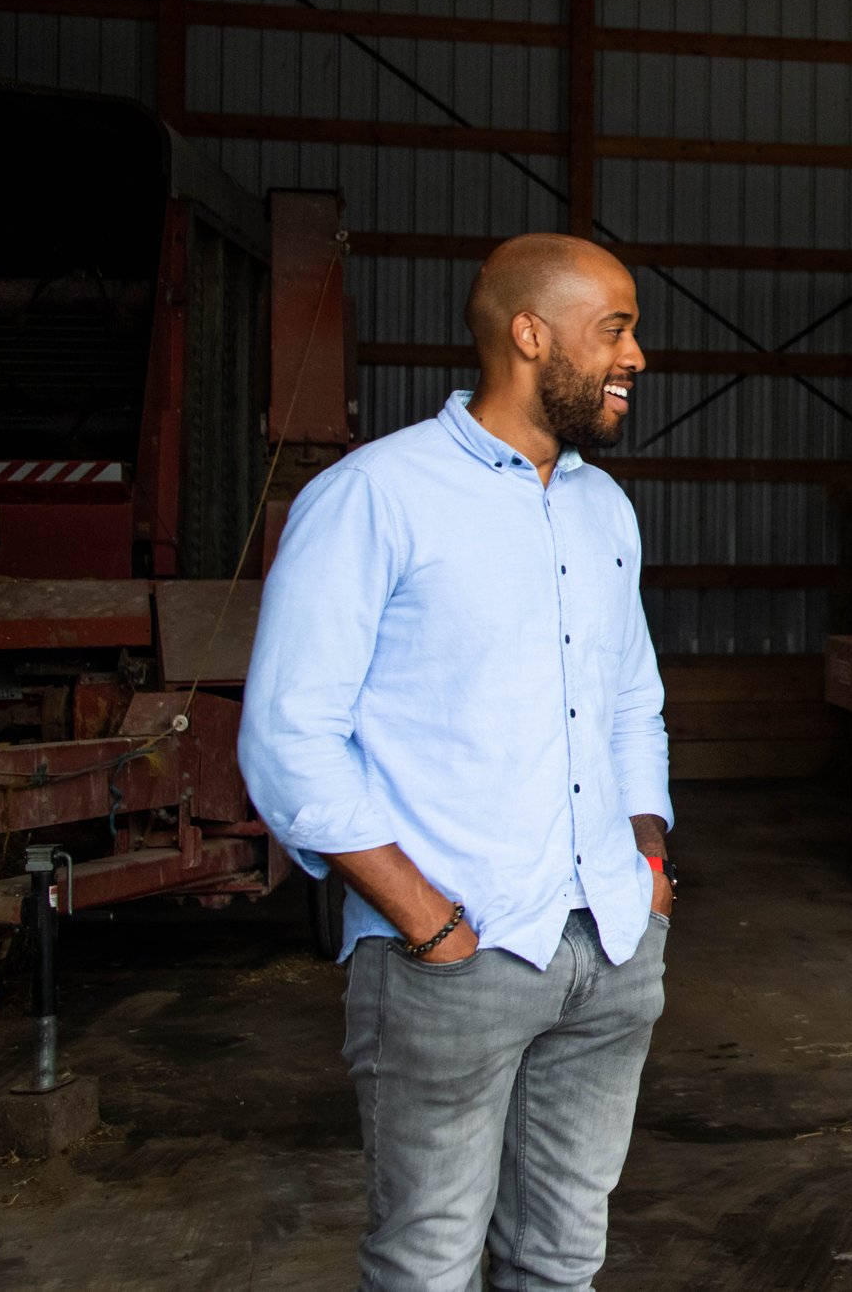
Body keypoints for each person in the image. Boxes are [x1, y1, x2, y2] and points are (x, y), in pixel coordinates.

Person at [240, 233, 674, 1292]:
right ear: (529, 334)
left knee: (563, 1256)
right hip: (454, 956)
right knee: (428, 1259)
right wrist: (427, 920)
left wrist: (648, 867)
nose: (638, 356)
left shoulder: (602, 507)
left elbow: (631, 701)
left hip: (610, 948)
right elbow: (289, 736)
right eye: (615, 327)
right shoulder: (375, 495)